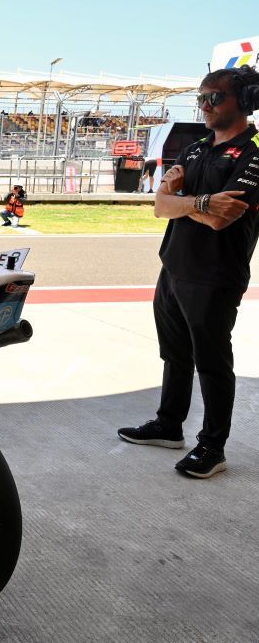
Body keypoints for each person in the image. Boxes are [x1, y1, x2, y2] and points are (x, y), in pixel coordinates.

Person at [117, 66, 259, 478]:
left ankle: (213, 447)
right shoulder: (195, 149)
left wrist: (182, 199)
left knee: (212, 363)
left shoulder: (254, 156)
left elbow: (223, 218)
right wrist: (197, 202)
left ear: (245, 100)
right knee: (174, 354)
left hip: (215, 275)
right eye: (201, 97)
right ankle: (168, 424)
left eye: (214, 97)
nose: (205, 105)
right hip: (173, 266)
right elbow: (161, 206)